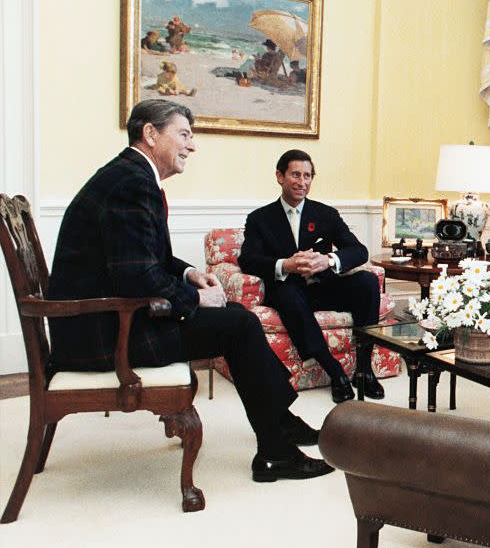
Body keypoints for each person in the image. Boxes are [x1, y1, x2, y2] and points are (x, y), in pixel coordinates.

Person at [47, 100, 333, 483]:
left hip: (103, 323)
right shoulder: (132, 183)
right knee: (240, 325)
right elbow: (135, 278)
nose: (191, 145)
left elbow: (152, 259)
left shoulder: (129, 176)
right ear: (150, 134)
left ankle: (279, 424)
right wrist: (197, 300)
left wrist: (191, 275)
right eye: (183, 134)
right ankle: (276, 448)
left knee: (238, 320)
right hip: (106, 334)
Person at [238, 150, 384, 404]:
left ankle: (363, 369)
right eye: (295, 174)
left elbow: (359, 251)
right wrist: (286, 265)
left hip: (323, 287)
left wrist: (327, 260)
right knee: (288, 295)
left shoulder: (326, 214)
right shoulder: (260, 218)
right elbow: (248, 259)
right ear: (279, 177)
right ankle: (334, 371)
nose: (302, 182)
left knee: (368, 282)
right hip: (288, 291)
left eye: (307, 176)